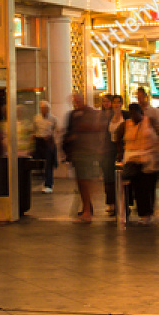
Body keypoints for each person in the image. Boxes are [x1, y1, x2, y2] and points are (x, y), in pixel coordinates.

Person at [63, 92, 105, 221]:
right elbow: (68, 131)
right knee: (81, 182)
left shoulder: (90, 113)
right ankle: (87, 208)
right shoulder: (72, 115)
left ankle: (87, 209)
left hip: (87, 152)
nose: (76, 103)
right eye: (74, 101)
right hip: (77, 153)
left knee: (86, 181)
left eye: (78, 101)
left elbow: (96, 129)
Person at [121, 102, 159, 223]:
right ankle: (144, 213)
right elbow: (117, 136)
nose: (133, 117)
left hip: (150, 158)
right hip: (133, 159)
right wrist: (120, 151)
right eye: (131, 114)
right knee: (138, 187)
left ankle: (148, 212)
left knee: (148, 186)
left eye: (135, 114)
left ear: (141, 113)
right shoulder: (126, 124)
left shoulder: (150, 121)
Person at [32, 101, 58, 193]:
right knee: (39, 163)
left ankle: (48, 184)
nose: (44, 110)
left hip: (48, 142)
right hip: (39, 141)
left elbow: (57, 131)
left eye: (46, 108)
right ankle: (41, 181)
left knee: (48, 163)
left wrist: (51, 138)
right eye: (42, 108)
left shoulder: (53, 119)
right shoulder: (36, 118)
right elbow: (34, 130)